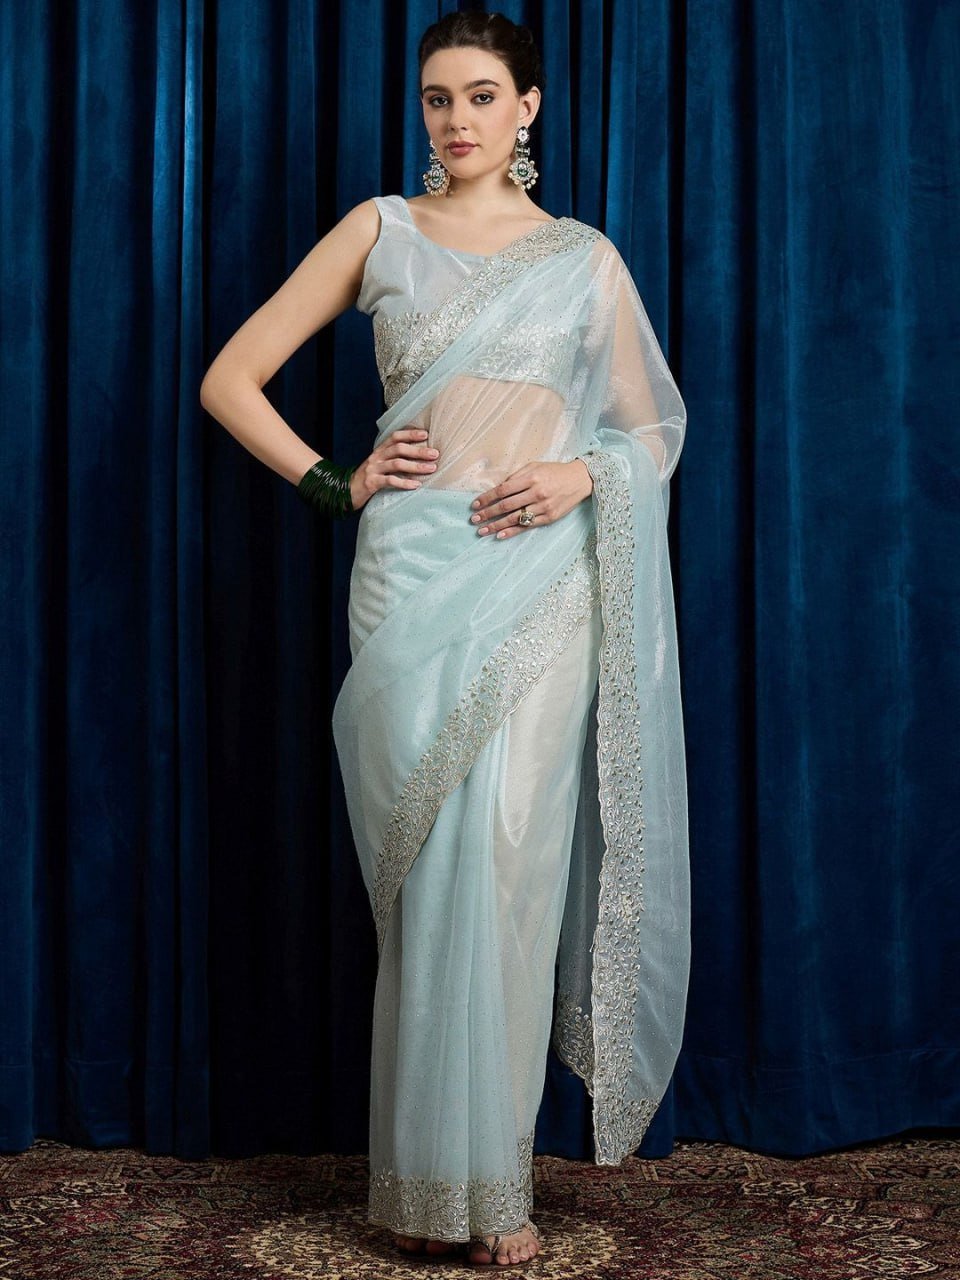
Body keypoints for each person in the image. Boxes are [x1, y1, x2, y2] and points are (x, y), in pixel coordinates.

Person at [200, 9, 690, 1269]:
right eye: (436, 98)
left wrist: (581, 477)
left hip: (541, 584)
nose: (456, 119)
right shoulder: (382, 230)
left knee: (511, 863)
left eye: (480, 95)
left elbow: (651, 432)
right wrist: (337, 479)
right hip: (411, 579)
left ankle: (498, 1182)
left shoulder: (584, 259)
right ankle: (422, 1179)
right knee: (431, 879)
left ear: (529, 109)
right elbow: (230, 376)